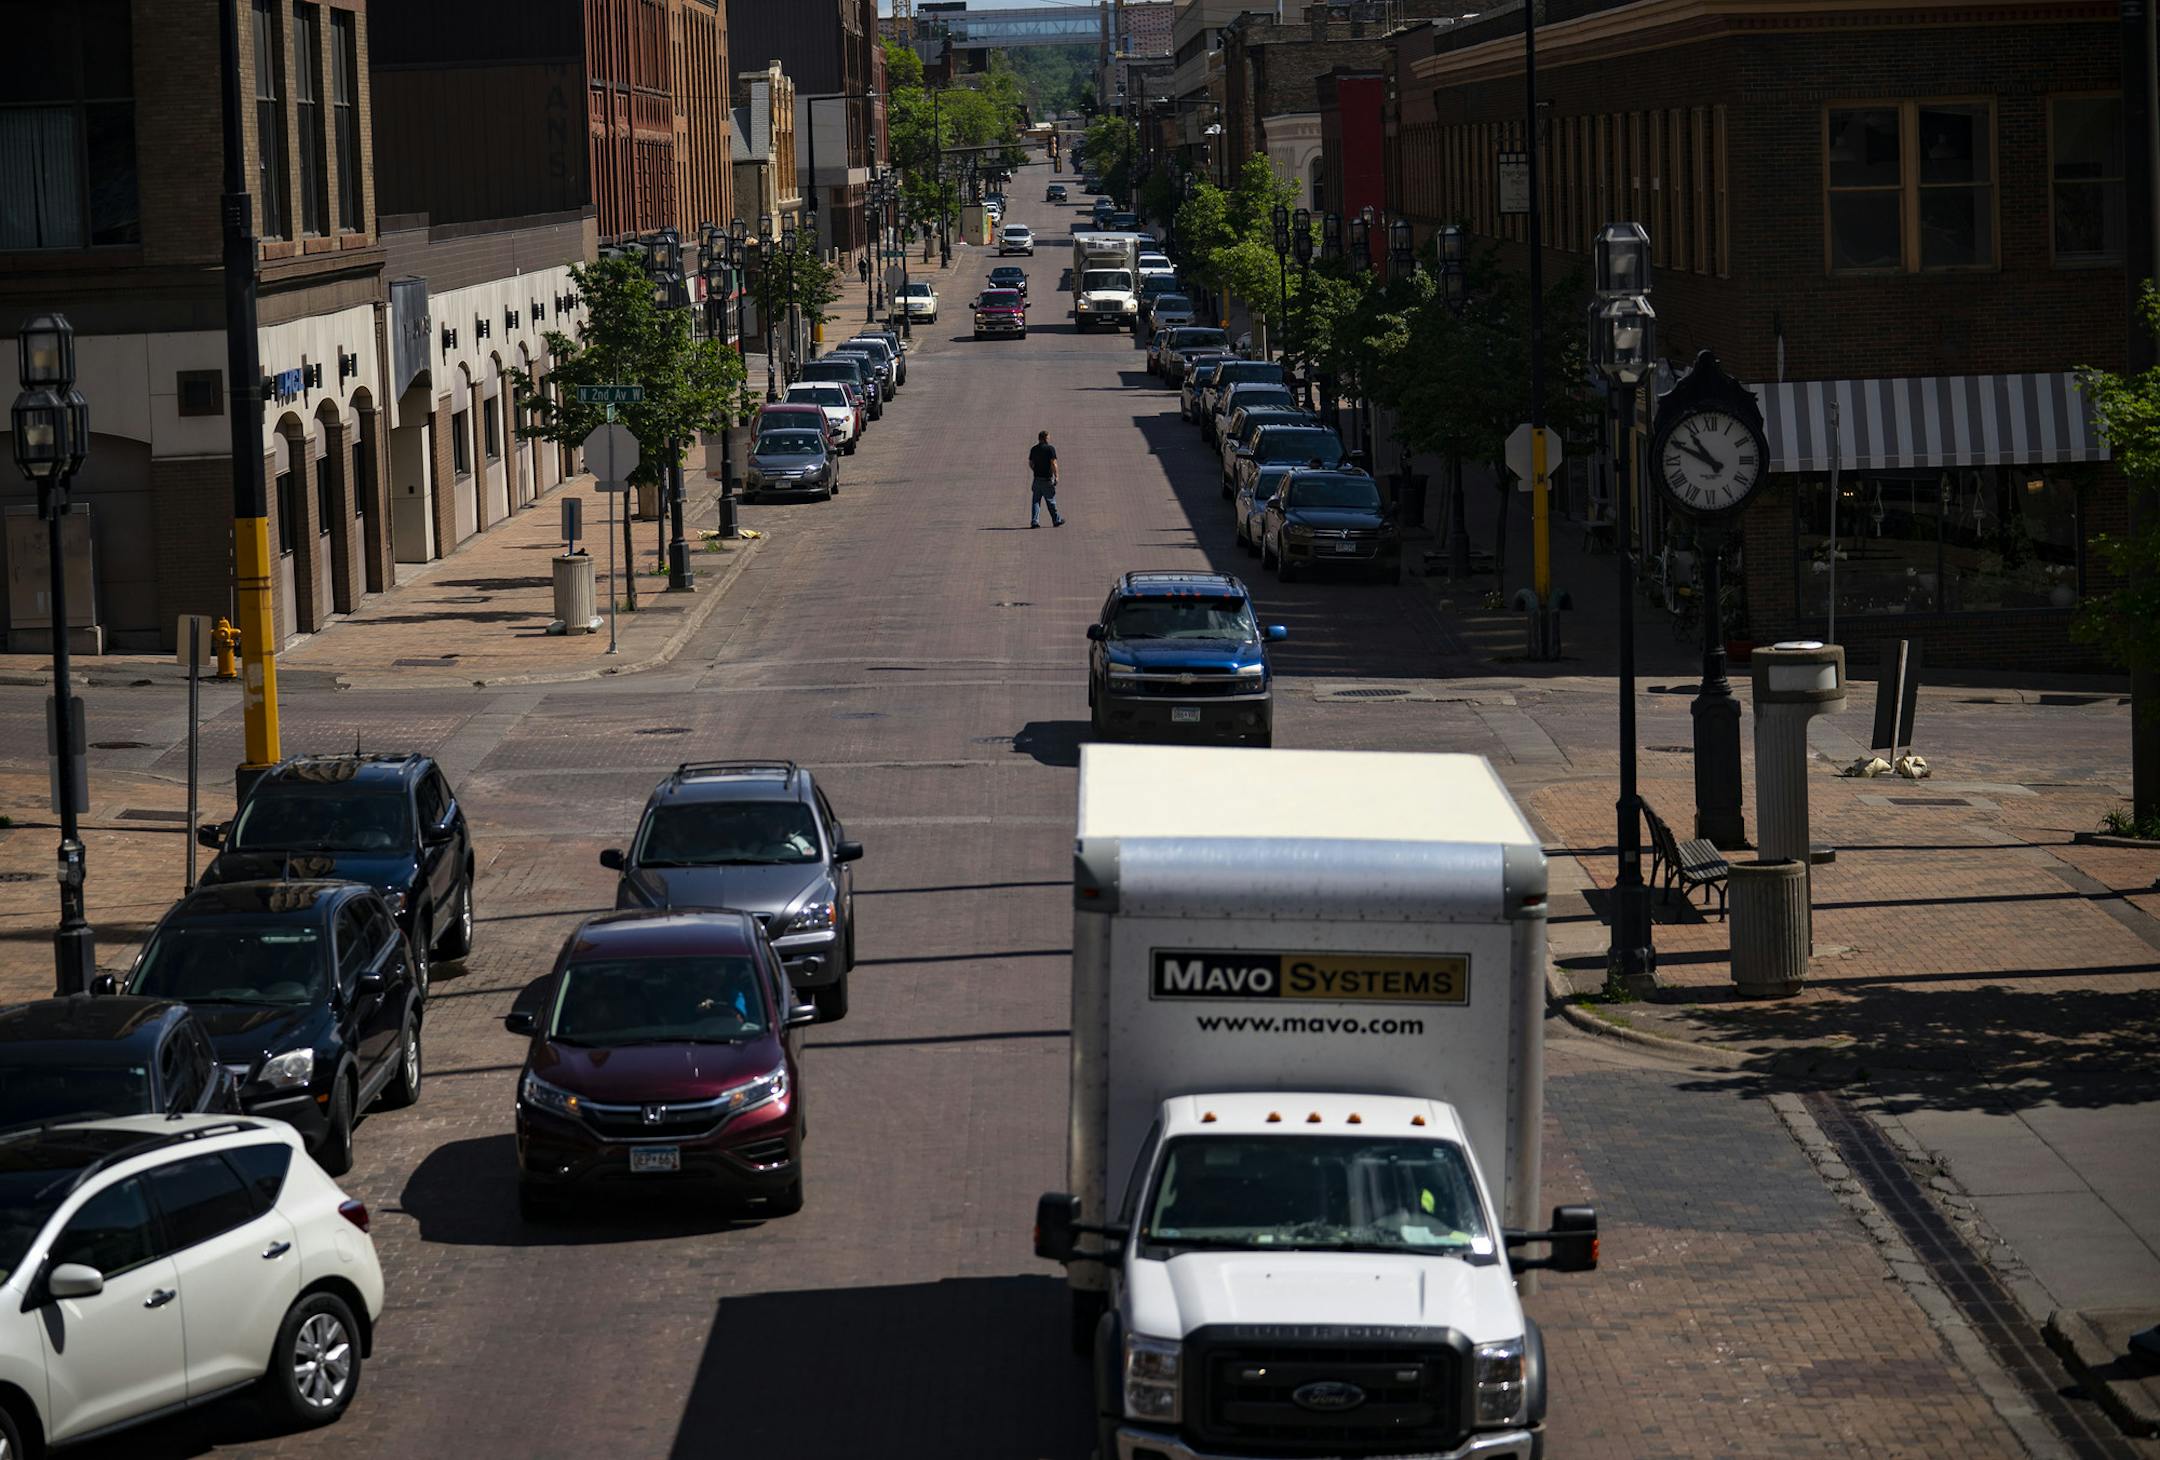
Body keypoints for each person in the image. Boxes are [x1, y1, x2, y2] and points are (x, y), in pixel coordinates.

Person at [1028, 429, 1064, 528]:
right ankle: (1056, 520)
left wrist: (1035, 470)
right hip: (1047, 479)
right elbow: (1054, 463)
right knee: (1051, 501)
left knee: (1036, 501)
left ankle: (1035, 521)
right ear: (1045, 438)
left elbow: (1031, 463)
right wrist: (1056, 476)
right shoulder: (1050, 449)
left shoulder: (1034, 449)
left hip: (1037, 479)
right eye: (1048, 437)